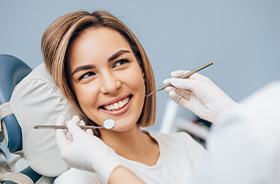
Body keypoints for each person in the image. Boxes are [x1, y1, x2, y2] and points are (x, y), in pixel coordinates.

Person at [41, 10, 231, 184]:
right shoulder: (78, 180)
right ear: (71, 93)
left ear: (141, 69)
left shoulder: (185, 146)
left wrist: (229, 115)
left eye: (120, 62)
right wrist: (102, 161)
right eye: (87, 75)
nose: (111, 85)